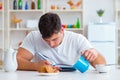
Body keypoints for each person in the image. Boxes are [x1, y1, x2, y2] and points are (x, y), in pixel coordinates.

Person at [17, 12, 106, 71]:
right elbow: (17, 61)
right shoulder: (34, 37)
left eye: (54, 39)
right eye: (46, 40)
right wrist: (36, 66)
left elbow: (102, 65)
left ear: (62, 30)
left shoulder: (77, 39)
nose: (51, 44)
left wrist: (94, 52)